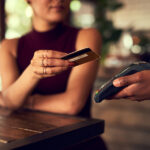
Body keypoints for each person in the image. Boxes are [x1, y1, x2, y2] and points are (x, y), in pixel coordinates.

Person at [0, 0, 101, 118]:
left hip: (77, 135)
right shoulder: (9, 46)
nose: (59, 0)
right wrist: (32, 72)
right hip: (27, 134)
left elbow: (72, 105)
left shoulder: (87, 36)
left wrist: (25, 101)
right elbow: (9, 102)